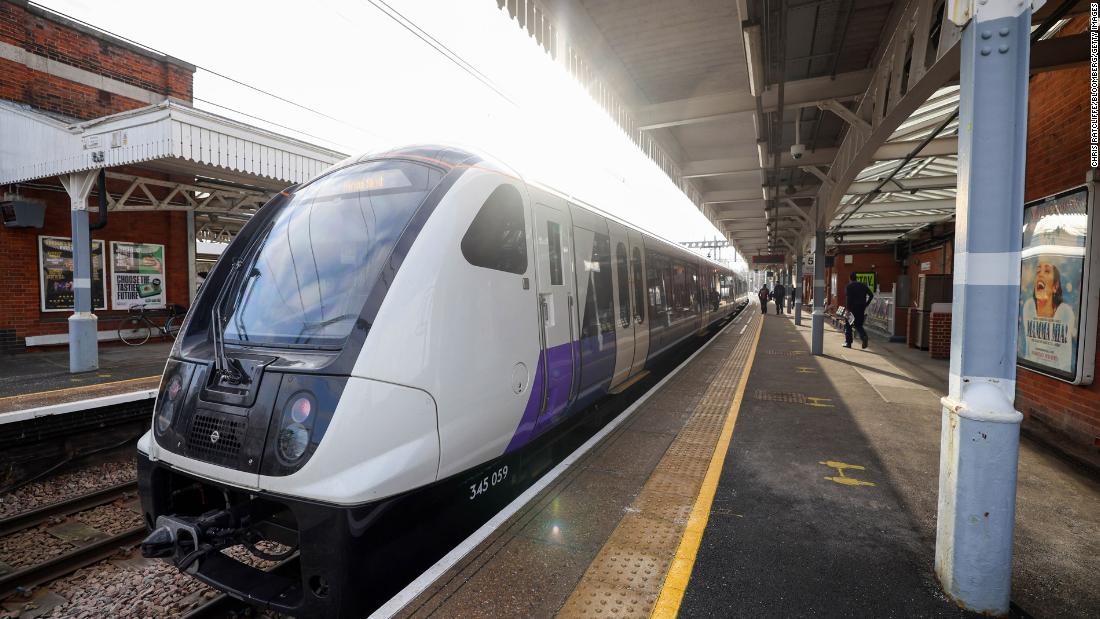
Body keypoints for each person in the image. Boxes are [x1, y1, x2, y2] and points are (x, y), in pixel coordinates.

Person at [844, 272, 874, 348]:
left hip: (851, 309)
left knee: (848, 325)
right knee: (858, 325)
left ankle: (848, 343)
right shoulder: (863, 285)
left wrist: (847, 310)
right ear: (856, 278)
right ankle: (864, 336)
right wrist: (866, 304)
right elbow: (871, 295)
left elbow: (848, 299)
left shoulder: (849, 286)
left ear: (850, 278)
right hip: (861, 308)